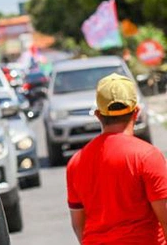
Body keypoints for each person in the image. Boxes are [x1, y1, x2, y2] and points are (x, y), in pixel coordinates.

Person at [67, 73, 167, 244]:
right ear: (136, 112)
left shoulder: (76, 162)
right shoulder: (147, 156)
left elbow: (78, 225)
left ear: (98, 115)